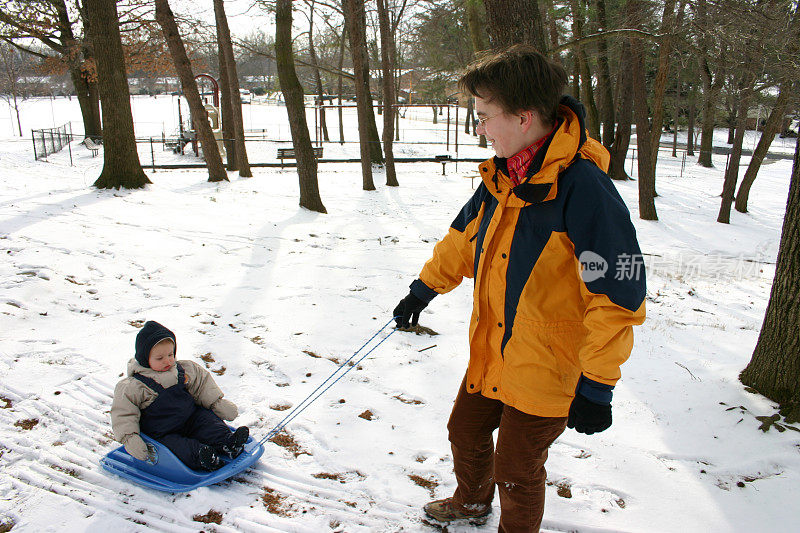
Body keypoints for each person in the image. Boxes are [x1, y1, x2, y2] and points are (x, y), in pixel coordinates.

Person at [393, 44, 646, 531]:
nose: (479, 128)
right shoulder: (502, 175)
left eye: (485, 116)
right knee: (464, 430)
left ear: (525, 117)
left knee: (515, 469)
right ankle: (470, 502)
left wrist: (598, 384)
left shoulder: (584, 188)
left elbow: (619, 294)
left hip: (549, 365)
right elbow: (462, 241)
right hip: (495, 351)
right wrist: (423, 289)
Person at [111, 320, 250, 471]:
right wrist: (130, 438)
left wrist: (216, 403)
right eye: (160, 358)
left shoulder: (183, 370)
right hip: (163, 433)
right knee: (178, 448)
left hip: (190, 419)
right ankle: (204, 457)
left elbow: (201, 386)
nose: (168, 360)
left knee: (208, 421)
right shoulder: (133, 386)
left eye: (171, 354)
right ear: (145, 359)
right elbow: (123, 414)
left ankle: (228, 442)